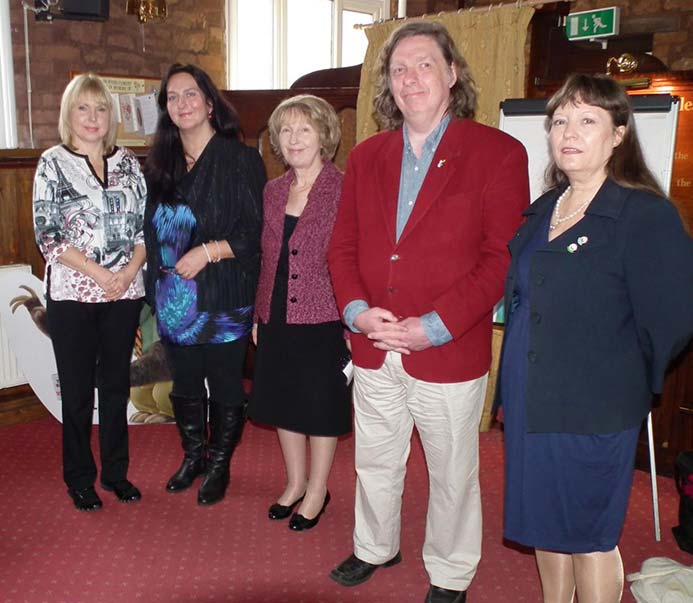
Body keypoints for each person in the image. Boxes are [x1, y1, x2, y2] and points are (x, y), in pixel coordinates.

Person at [327, 21, 529, 603]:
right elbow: (342, 247)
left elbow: (500, 260)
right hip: (373, 341)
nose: (410, 78)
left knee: (453, 475)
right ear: (387, 87)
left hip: (447, 349)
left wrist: (433, 326)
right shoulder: (368, 156)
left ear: (452, 74)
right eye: (398, 69)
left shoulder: (497, 152)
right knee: (376, 459)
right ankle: (374, 546)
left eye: (423, 65)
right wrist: (357, 312)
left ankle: (450, 571)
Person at [497, 73, 693, 603]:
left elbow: (673, 319)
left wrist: (619, 378)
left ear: (619, 133)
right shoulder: (544, 209)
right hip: (530, 396)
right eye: (560, 120)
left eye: (588, 120)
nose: (570, 132)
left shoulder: (643, 214)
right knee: (544, 524)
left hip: (594, 407)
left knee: (588, 535)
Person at [143, 64, 265, 506]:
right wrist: (153, 295)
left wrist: (208, 252)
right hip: (174, 299)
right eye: (172, 97)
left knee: (226, 386)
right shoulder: (159, 164)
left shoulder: (240, 159)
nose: (182, 103)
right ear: (166, 110)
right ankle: (193, 455)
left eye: (190, 94)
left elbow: (255, 235)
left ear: (210, 103)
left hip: (224, 295)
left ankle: (219, 464)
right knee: (185, 386)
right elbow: (150, 234)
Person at [33, 72, 146, 511]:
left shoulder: (129, 164)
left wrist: (128, 272)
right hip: (73, 296)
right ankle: (79, 478)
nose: (93, 117)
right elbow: (50, 237)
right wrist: (101, 274)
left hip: (124, 294)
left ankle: (116, 474)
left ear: (111, 115)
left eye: (101, 108)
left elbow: (142, 231)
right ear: (69, 114)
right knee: (78, 393)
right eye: (83, 107)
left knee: (116, 388)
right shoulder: (51, 163)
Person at [248, 94, 351, 531]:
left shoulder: (343, 188)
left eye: (304, 129)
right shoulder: (273, 191)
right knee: (284, 403)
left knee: (319, 407)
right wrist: (257, 313)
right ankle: (294, 483)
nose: (294, 138)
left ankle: (317, 490)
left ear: (324, 135)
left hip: (324, 315)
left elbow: (353, 256)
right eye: (286, 130)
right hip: (275, 312)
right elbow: (267, 257)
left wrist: (351, 319)